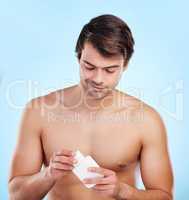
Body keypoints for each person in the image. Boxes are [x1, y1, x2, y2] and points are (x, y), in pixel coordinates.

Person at [8, 14, 173, 200]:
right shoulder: (39, 111)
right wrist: (47, 175)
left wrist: (122, 191)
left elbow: (164, 197)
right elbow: (16, 195)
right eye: (89, 66)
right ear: (79, 58)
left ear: (125, 65)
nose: (98, 79)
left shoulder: (146, 120)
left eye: (110, 70)